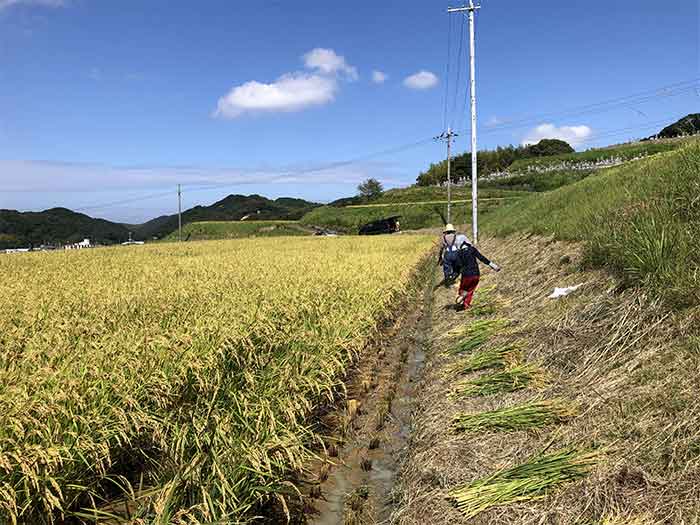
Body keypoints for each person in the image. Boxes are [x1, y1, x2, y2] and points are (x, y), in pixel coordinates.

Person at [455, 239, 501, 310]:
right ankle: (466, 304)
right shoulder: (472, 249)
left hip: (466, 275)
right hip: (476, 274)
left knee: (463, 289)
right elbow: (482, 258)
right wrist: (493, 266)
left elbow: (458, 265)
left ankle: (462, 297)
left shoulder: (458, 253)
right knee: (470, 290)